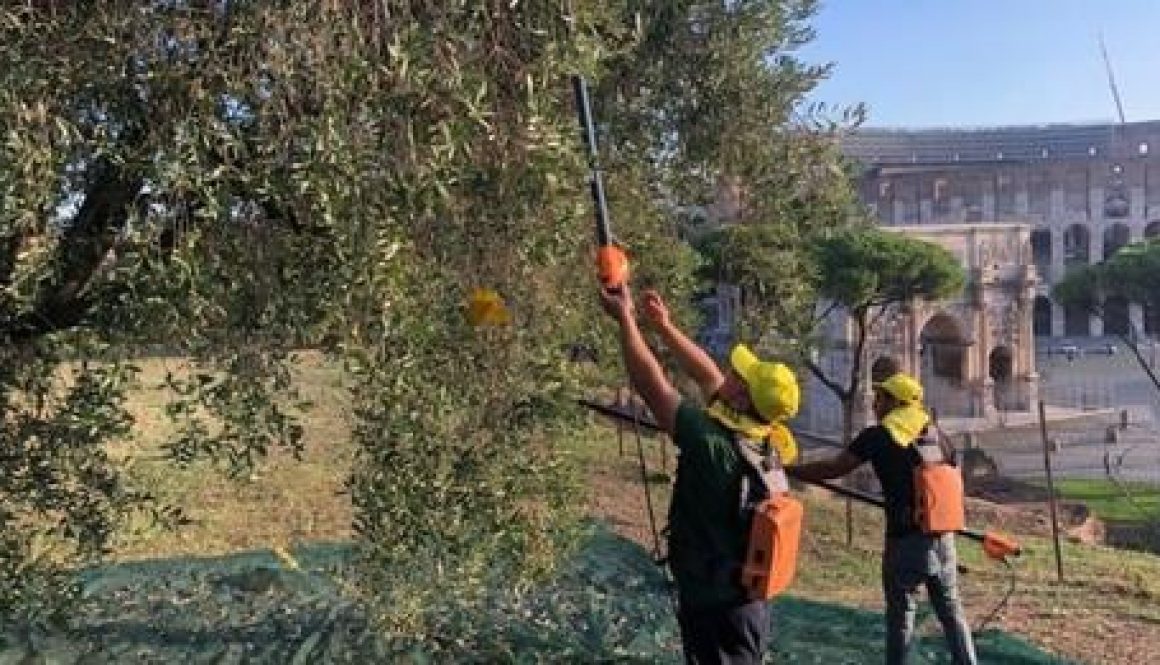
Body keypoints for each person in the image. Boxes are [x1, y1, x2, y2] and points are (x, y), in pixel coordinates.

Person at [598, 284, 800, 664]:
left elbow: (652, 388)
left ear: (742, 398)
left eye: (741, 378)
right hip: (746, 600)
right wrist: (664, 327)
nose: (730, 374)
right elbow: (710, 377)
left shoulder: (713, 446)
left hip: (715, 605)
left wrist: (626, 319)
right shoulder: (770, 442)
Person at [790, 373, 978, 665]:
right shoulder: (937, 434)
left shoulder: (878, 435)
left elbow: (835, 467)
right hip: (943, 538)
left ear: (894, 403)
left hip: (905, 541)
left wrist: (792, 471)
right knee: (952, 613)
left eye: (880, 398)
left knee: (902, 616)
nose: (875, 404)